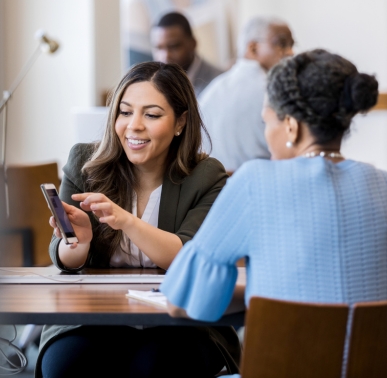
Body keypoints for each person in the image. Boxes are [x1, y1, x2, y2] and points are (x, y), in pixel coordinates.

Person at [160, 49, 387, 373]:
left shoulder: (255, 182)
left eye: (266, 122)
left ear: (291, 126)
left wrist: (258, 293)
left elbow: (184, 302)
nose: (266, 134)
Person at [36, 62, 241, 378]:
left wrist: (126, 220)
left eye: (152, 115)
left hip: (179, 323)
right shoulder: (85, 163)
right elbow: (65, 259)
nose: (134, 126)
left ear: (180, 122)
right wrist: (78, 241)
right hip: (94, 319)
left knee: (155, 367)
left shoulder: (206, 176)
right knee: (66, 366)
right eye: (125, 112)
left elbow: (186, 256)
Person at [199, 16, 294, 172]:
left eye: (292, 45)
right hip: (263, 187)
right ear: (253, 48)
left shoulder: (212, 90)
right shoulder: (274, 91)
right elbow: (293, 154)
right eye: (281, 44)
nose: (291, 52)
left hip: (213, 191)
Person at [151, 12, 224, 96]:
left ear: (193, 43)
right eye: (158, 48)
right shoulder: (152, 83)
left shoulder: (218, 83)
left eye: (174, 47)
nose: (165, 56)